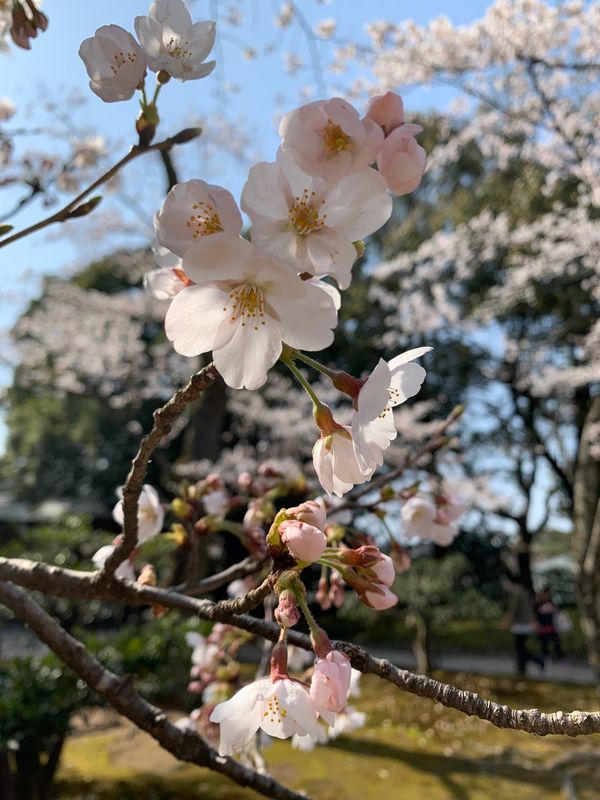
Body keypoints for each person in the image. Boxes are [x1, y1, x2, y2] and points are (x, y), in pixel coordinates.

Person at [501, 577, 545, 675]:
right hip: (523, 624)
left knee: (520, 648)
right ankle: (522, 668)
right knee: (520, 648)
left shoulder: (517, 592)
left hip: (522, 625)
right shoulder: (521, 591)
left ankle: (534, 662)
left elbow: (514, 610)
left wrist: (507, 620)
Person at [534, 586, 565, 661]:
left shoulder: (551, 601)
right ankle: (545, 656)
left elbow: (558, 610)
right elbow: (535, 613)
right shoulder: (538, 602)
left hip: (551, 626)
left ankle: (558, 656)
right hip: (543, 626)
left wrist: (553, 609)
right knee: (544, 642)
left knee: (556, 641)